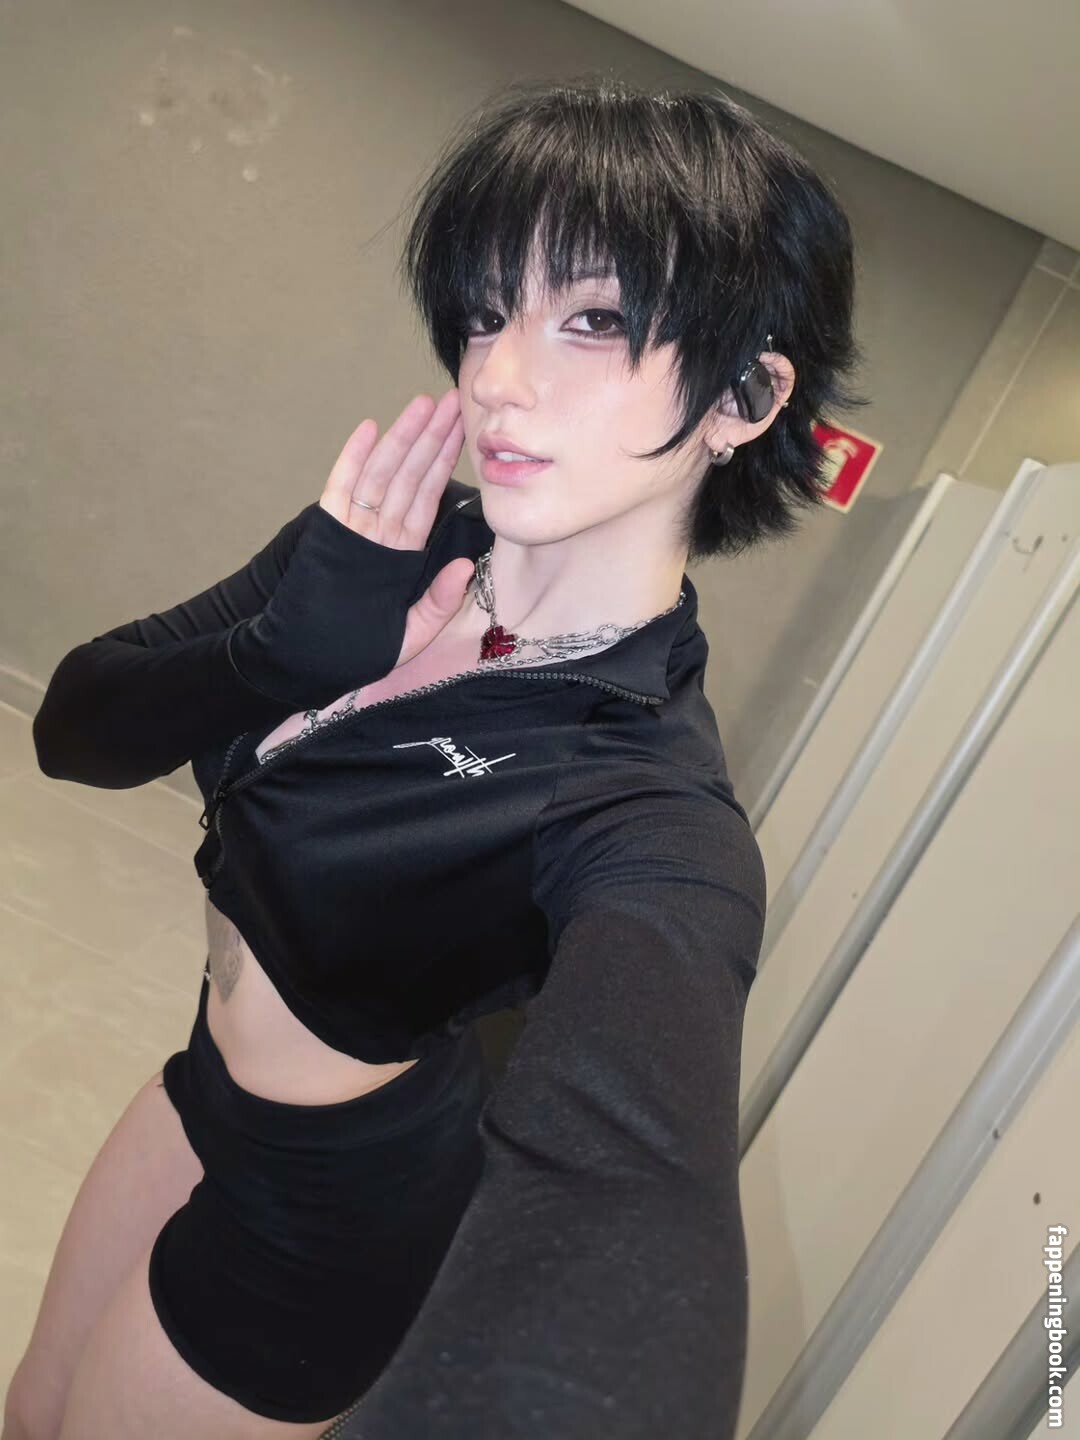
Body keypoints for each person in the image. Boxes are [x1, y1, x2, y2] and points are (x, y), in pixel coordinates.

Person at [11, 73, 868, 1440]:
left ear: (744, 395)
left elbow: (638, 1198)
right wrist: (277, 655)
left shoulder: (643, 787)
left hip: (329, 1232)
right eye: (484, 312)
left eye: (593, 320)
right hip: (203, 1090)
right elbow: (74, 733)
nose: (496, 379)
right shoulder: (398, 539)